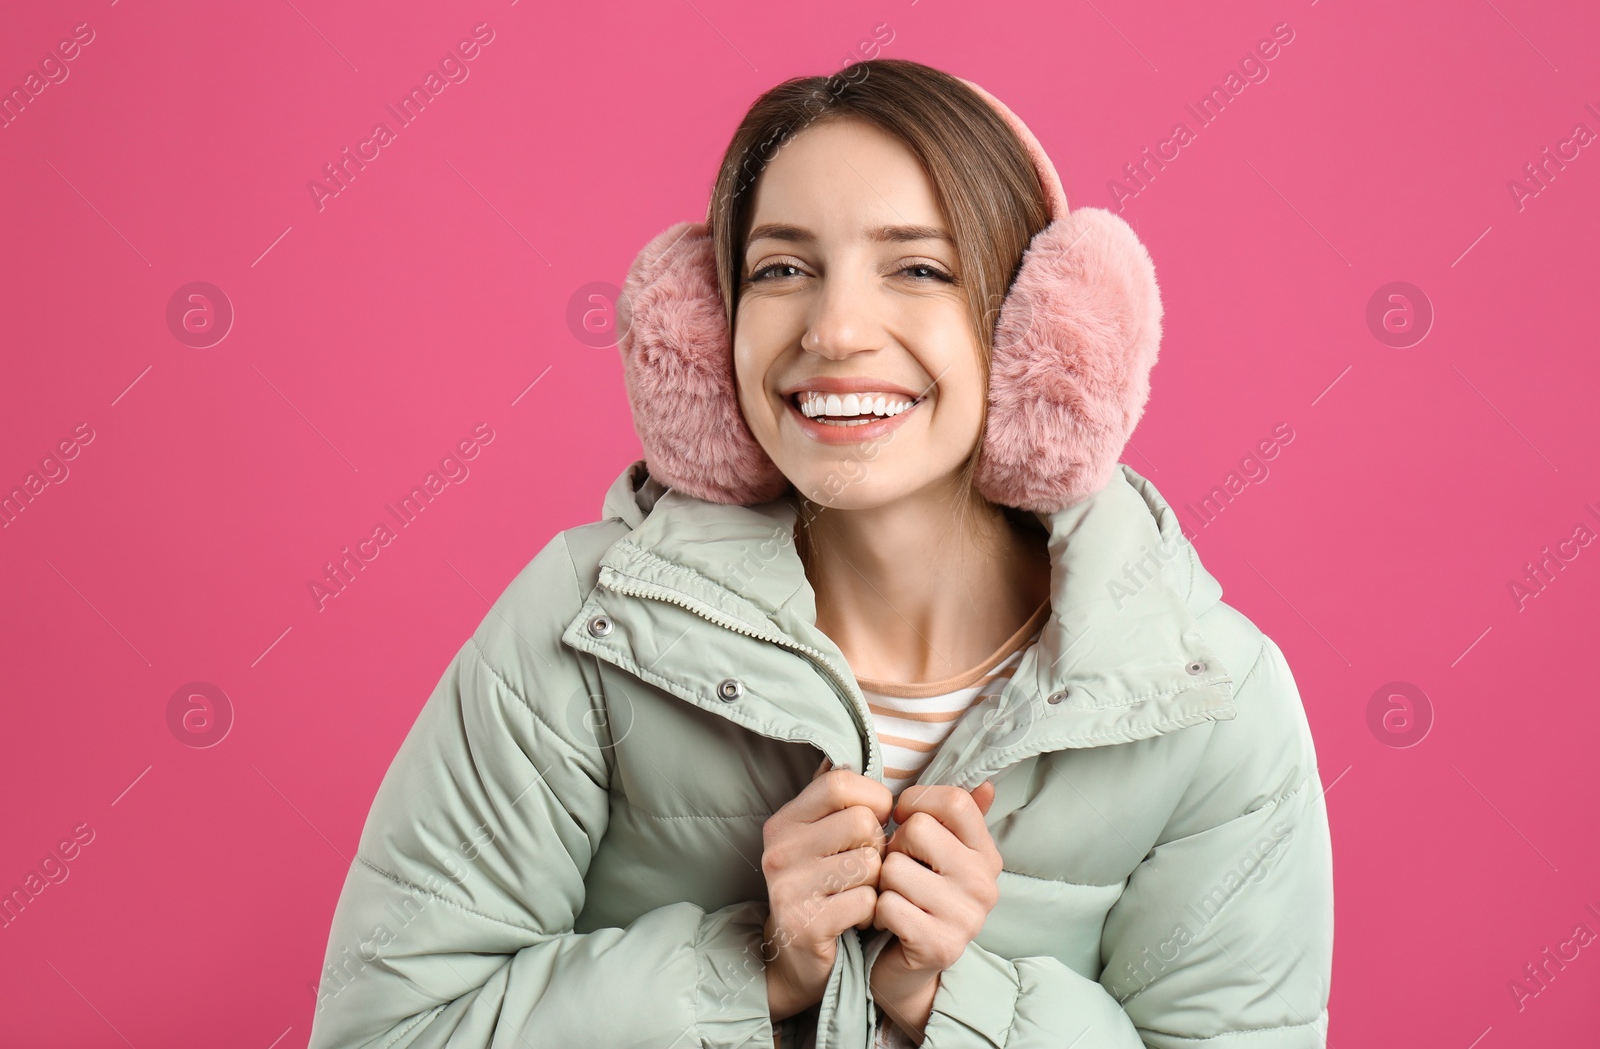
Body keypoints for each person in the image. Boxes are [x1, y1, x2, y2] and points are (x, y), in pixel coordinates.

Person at [306, 58, 1333, 1049]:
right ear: (712, 336)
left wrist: (951, 1001)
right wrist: (748, 965)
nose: (835, 329)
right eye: (782, 268)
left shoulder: (1212, 702)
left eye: (918, 267)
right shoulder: (581, 627)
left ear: (1044, 335)